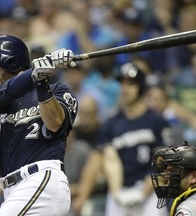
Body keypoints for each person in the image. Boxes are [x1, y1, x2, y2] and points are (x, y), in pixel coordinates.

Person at [0, 34, 78, 215]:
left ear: (10, 60)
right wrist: (36, 72)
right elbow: (11, 89)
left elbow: (55, 124)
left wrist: (41, 83)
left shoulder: (59, 90)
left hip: (42, 180)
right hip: (12, 190)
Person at [73, 63, 173, 216]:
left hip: (149, 190)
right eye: (122, 84)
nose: (125, 88)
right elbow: (97, 158)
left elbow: (164, 162)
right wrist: (84, 197)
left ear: (141, 87)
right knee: (108, 151)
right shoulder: (111, 123)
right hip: (118, 190)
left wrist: (142, 192)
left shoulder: (156, 120)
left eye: (131, 84)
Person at [151, 142, 196, 216]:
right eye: (167, 170)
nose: (167, 177)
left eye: (174, 171)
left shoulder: (188, 208)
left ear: (193, 177)